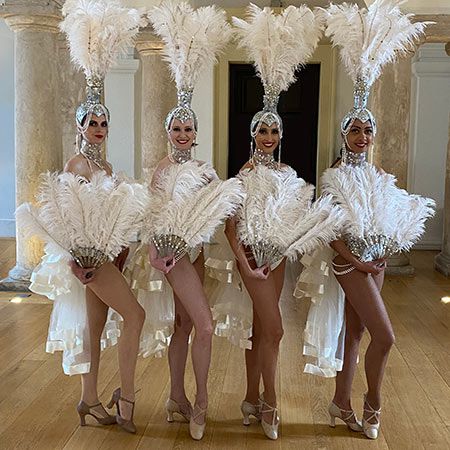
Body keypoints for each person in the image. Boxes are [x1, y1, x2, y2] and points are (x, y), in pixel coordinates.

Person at [297, 0, 434, 440]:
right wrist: (357, 260)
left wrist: (384, 252)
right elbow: (328, 231)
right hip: (349, 263)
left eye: (367, 130)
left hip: (375, 263)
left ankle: (341, 402)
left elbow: (386, 218)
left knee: (355, 333)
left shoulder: (376, 174)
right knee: (386, 336)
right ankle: (373, 402)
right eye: (355, 130)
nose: (362, 136)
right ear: (344, 135)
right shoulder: (334, 175)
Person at [208, 5, 339, 440]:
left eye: (274, 132)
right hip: (251, 260)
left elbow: (293, 221)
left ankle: (250, 398)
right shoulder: (243, 176)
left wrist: (283, 248)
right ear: (252, 135)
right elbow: (231, 227)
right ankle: (270, 401)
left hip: (277, 257)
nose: (268, 138)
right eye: (262, 131)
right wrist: (246, 265)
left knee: (262, 328)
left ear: (281, 136)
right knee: (277, 329)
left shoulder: (288, 174)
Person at [18, 0, 147, 434]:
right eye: (92, 122)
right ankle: (126, 397)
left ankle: (88, 400)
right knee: (136, 316)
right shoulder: (77, 164)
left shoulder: (105, 167)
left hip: (106, 256)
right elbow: (63, 216)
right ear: (80, 126)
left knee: (97, 327)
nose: (99, 128)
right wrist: (77, 259)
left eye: (103, 123)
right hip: (89, 262)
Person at [134, 1, 237, 441]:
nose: (182, 135)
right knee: (205, 325)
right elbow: (151, 215)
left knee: (185, 324)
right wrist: (158, 251)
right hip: (172, 257)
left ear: (196, 134)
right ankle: (201, 402)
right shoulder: (161, 169)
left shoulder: (203, 169)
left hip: (194, 254)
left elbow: (219, 205)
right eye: (176, 129)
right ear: (168, 132)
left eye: (188, 129)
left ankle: (176, 397)